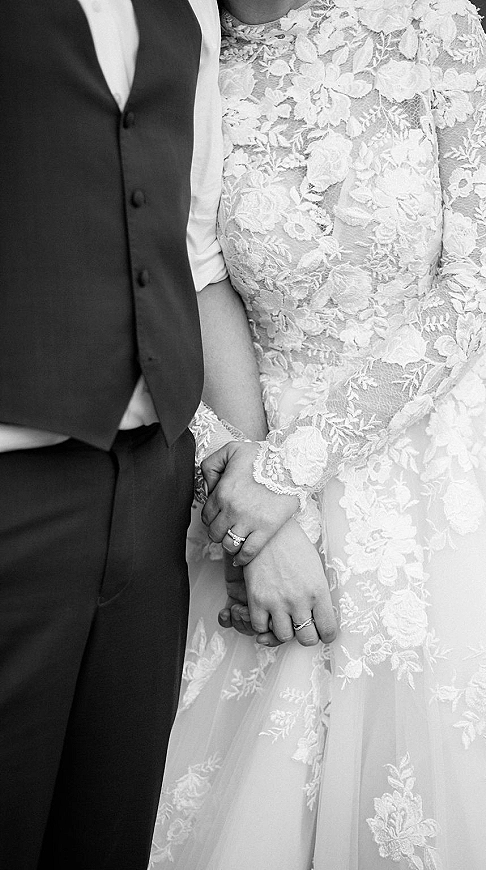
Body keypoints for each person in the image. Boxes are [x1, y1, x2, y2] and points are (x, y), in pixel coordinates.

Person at [152, 0, 486, 867]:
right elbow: (172, 284)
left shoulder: (430, 21)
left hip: (459, 456)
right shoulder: (176, 55)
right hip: (249, 434)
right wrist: (243, 489)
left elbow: (475, 290)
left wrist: (287, 473)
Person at [0, 2, 327, 868]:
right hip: (13, 492)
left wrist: (261, 494)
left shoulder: (190, 10)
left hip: (150, 500)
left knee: (106, 838)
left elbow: (194, 250)